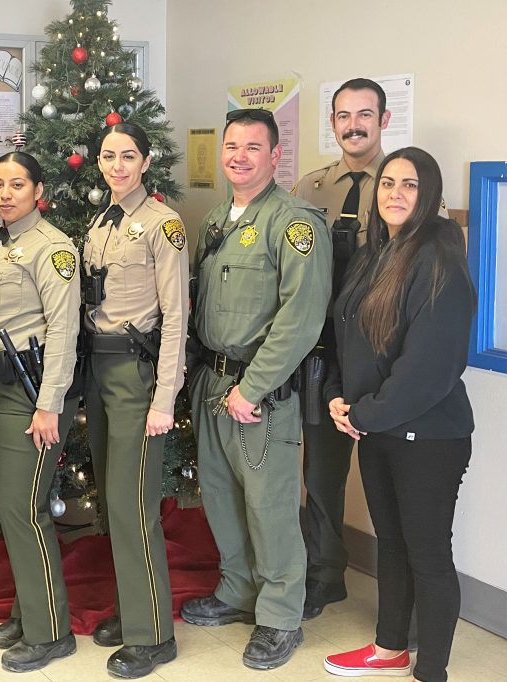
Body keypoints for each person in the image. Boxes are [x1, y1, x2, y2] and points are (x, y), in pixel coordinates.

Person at [181, 109, 332, 670]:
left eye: (253, 147)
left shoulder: (293, 222)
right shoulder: (220, 216)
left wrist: (253, 386)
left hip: (259, 392)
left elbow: (302, 316)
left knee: (269, 507)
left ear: (275, 156)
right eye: (231, 146)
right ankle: (238, 591)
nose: (239, 156)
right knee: (220, 496)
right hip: (213, 382)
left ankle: (279, 616)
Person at [322, 147, 474, 682]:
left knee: (428, 555)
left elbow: (429, 366)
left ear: (428, 194)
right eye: (388, 183)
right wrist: (340, 397)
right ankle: (390, 649)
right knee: (392, 544)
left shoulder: (439, 258)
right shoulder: (374, 253)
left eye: (410, 185)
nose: (395, 194)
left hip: (429, 435)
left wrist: (366, 412)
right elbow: (346, 333)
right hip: (379, 427)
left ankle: (431, 671)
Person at [0, 151, 81, 673]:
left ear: (39, 191)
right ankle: (29, 608)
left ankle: (51, 630)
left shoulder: (52, 248)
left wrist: (49, 403)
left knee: (24, 507)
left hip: (32, 390)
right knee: (9, 506)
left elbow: (63, 330)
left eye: (17, 184)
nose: (5, 193)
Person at [81, 123, 188, 678]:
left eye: (128, 157)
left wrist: (164, 397)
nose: (117, 165)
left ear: (146, 162)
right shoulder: (101, 222)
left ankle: (154, 636)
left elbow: (176, 317)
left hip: (137, 375)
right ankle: (132, 609)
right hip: (100, 369)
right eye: (108, 156)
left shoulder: (162, 225)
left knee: (134, 503)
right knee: (112, 498)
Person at [292, 77, 391, 619]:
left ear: (383, 120)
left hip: (378, 350)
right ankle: (325, 575)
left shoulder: (405, 183)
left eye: (364, 115)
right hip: (322, 350)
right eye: (343, 116)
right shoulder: (311, 188)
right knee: (322, 470)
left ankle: (401, 595)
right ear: (333, 123)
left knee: (387, 468)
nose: (353, 125)